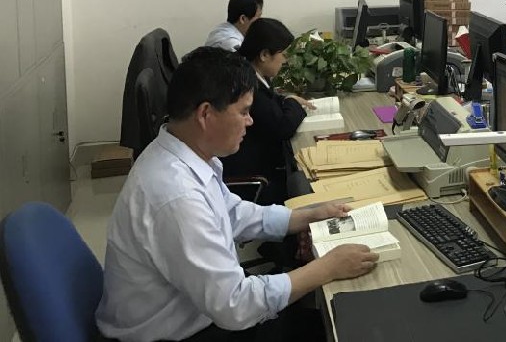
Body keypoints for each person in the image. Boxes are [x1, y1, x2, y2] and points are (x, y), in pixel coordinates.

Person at [97, 47, 378, 342]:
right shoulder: (177, 197)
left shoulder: (183, 153)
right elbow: (235, 306)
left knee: (320, 315)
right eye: (243, 111)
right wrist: (327, 268)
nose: (250, 121)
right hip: (186, 333)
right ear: (205, 114)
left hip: (201, 311)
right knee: (338, 327)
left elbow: (231, 213)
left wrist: (305, 217)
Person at [222, 18, 313, 205]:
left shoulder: (249, 70)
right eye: (283, 55)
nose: (285, 61)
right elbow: (283, 127)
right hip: (258, 173)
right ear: (264, 55)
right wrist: (292, 102)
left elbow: (271, 101)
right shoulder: (248, 84)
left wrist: (286, 99)